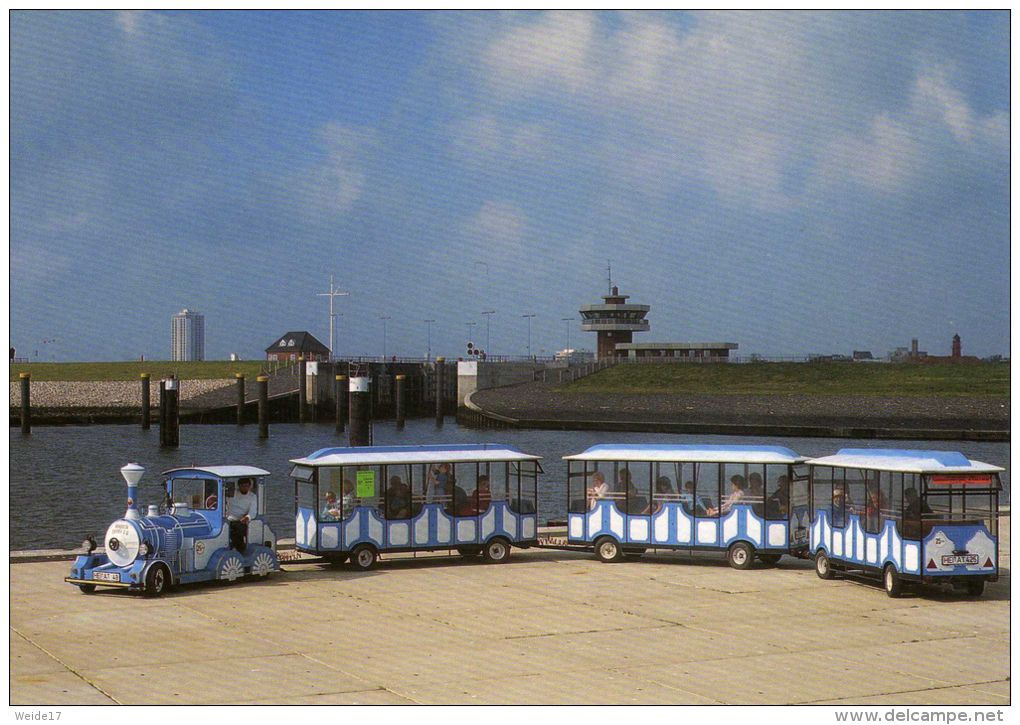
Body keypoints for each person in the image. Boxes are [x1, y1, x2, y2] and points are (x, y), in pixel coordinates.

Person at [226, 477, 258, 553]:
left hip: (242, 520)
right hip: (229, 518)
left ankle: (240, 550)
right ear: (239, 486)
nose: (245, 488)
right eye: (243, 486)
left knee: (238, 529)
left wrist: (247, 517)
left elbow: (252, 511)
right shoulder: (232, 494)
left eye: (246, 486)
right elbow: (224, 502)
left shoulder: (252, 497)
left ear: (249, 486)